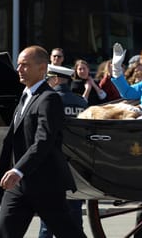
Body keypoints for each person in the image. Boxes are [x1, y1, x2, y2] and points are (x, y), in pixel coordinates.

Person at [0, 45, 86, 238]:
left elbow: (44, 140)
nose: (19, 69)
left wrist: (18, 170)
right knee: (3, 234)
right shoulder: (25, 97)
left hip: (46, 184)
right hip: (19, 186)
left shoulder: (49, 99)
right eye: (18, 65)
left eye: (25, 65)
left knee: (68, 233)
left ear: (42, 68)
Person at [38, 64, 88, 238]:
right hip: (77, 163)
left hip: (53, 163)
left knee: (48, 221)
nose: (47, 82)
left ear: (56, 79)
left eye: (49, 79)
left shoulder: (48, 99)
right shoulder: (82, 102)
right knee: (74, 217)